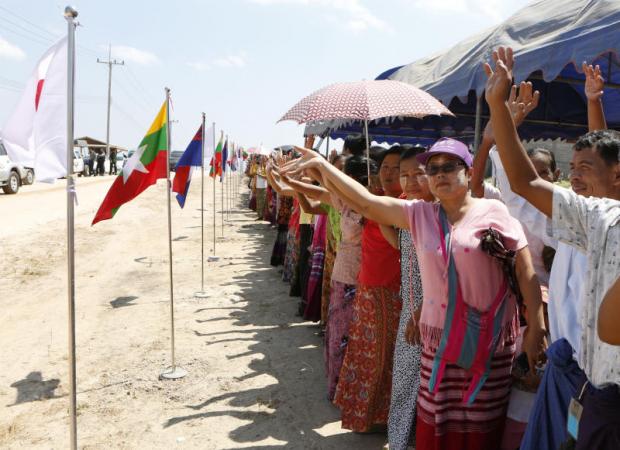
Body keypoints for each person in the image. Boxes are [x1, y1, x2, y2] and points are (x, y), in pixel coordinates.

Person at [283, 137, 546, 449]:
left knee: (480, 425)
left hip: (488, 343)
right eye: (433, 168)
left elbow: (524, 272)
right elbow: (367, 202)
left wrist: (537, 328)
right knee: (438, 422)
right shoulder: (420, 215)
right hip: (439, 343)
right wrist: (322, 165)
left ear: (469, 170)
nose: (440, 174)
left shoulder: (494, 211)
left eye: (450, 166)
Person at [484, 46, 620, 450]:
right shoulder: (593, 220)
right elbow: (597, 158)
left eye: (584, 170)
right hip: (581, 380)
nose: (575, 178)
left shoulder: (602, 220)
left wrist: (499, 112)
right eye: (572, 169)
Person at [387, 145, 433, 450]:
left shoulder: (436, 213)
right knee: (405, 382)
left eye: (419, 173)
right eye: (405, 175)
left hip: (428, 315)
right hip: (412, 311)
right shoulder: (408, 209)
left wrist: (419, 312)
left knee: (418, 384)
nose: (411, 181)